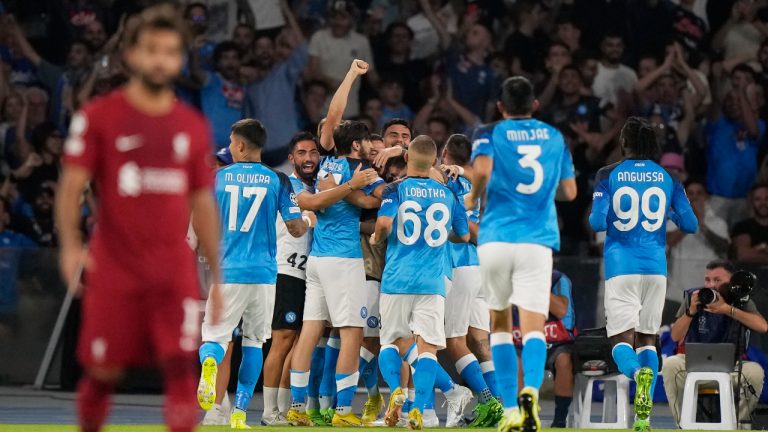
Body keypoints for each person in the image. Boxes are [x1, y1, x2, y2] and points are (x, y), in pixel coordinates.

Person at [55, 6, 223, 432]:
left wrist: (219, 274)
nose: (160, 60)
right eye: (152, 50)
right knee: (103, 373)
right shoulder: (99, 117)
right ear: (131, 55)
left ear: (180, 59)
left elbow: (202, 203)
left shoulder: (192, 125)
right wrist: (72, 246)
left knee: (181, 372)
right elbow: (72, 187)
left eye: (170, 51)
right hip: (115, 267)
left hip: (173, 270)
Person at [466, 76, 577, 432]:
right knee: (533, 326)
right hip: (537, 241)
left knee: (499, 324)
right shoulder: (555, 138)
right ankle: (530, 391)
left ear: (500, 107)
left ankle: (512, 407)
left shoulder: (488, 132)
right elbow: (570, 192)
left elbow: (481, 170)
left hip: (496, 238)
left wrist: (472, 197)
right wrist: (543, 193)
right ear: (535, 105)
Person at [287, 59, 385, 427]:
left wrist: (350, 75)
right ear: (358, 144)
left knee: (310, 332)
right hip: (343, 261)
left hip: (317, 261)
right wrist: (367, 192)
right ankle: (343, 412)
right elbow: (368, 200)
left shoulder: (327, 165)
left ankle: (298, 408)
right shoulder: (357, 171)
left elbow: (333, 114)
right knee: (351, 335)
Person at [196, 119, 309, 429]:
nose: (231, 149)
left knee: (214, 338)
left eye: (232, 144)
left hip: (227, 270)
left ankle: (209, 362)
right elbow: (295, 228)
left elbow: (199, 219)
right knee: (254, 344)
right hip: (263, 274)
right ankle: (240, 413)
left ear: (242, 145)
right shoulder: (279, 180)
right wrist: (309, 220)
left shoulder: (216, 178)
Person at [589, 116, 698, 432]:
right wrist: (668, 212)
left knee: (621, 338)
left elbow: (597, 223)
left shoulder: (608, 175)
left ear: (624, 143)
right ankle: (643, 419)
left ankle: (638, 374)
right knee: (648, 339)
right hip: (655, 268)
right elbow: (690, 225)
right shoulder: (668, 178)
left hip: (621, 267)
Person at [373, 135, 470, 430]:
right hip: (432, 282)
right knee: (427, 349)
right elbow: (463, 236)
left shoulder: (395, 189)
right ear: (434, 163)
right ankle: (418, 409)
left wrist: (378, 237)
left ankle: (397, 392)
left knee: (390, 342)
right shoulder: (448, 195)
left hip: (397, 280)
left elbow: (385, 224)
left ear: (405, 159)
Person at [441, 134, 501, 428]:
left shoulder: (445, 181)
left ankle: (489, 401)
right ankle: (499, 401)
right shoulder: (471, 181)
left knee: (454, 341)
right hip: (479, 267)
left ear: (444, 154)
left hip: (458, 266)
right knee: (479, 341)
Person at [664, 260, 768, 426]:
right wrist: (690, 311)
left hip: (732, 366)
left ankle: (738, 423)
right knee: (671, 364)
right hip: (693, 364)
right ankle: (683, 423)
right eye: (707, 279)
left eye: (717, 280)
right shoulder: (695, 297)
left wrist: (727, 309)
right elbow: (676, 336)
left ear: (731, 282)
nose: (711, 285)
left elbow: (762, 326)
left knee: (755, 372)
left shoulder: (740, 299)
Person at [260, 132, 318, 426]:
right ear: (291, 158)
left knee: (295, 342)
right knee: (281, 340)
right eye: (302, 153)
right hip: (287, 270)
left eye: (313, 152)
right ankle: (270, 411)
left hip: (308, 274)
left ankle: (283, 411)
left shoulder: (315, 186)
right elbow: (297, 226)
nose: (308, 158)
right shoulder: (287, 184)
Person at [242, 0, 308, 167]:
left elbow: (301, 48)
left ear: (274, 50)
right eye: (259, 47)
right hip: (261, 157)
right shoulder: (248, 85)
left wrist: (286, 12)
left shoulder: (283, 72)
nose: (264, 51)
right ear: (253, 52)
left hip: (288, 154)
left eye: (268, 47)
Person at [512, 271, 576, 428]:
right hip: (522, 340)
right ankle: (523, 416)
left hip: (555, 342)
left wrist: (536, 287)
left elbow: (561, 311)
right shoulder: (511, 278)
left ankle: (560, 420)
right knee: (515, 362)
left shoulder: (558, 279)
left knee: (564, 360)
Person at [667, 180, 729, 315]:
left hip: (709, 295)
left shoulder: (718, 223)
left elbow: (724, 248)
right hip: (676, 295)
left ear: (707, 197)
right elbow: (668, 241)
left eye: (699, 193)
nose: (695, 197)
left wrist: (701, 223)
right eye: (690, 193)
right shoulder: (673, 221)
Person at [192, 41, 245, 150]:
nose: (230, 62)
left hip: (236, 150)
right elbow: (194, 69)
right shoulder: (210, 80)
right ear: (217, 63)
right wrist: (196, 43)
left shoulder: (245, 87)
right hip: (210, 147)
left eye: (234, 58)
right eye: (225, 58)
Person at [591, 33, 637, 107]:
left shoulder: (630, 73)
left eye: (618, 45)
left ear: (623, 48)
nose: (615, 49)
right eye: (610, 45)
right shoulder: (593, 69)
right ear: (602, 47)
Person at [732, 184, 768, 263]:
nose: (763, 203)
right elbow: (743, 255)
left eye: (767, 199)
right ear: (751, 202)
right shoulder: (742, 227)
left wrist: (758, 251)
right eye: (758, 199)